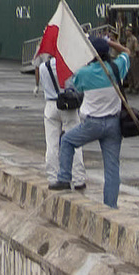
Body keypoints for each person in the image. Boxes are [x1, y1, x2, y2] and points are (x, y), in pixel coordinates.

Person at [50, 34, 132, 207]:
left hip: (92, 123)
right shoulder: (117, 68)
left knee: (66, 141)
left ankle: (64, 177)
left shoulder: (84, 73)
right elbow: (127, 51)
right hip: (114, 124)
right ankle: (111, 206)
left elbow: (76, 86)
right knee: (112, 168)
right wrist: (108, 42)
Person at [34, 49, 86, 191]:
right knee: (74, 142)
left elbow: (44, 84)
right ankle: (78, 178)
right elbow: (77, 86)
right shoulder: (69, 66)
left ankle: (52, 177)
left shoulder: (44, 67)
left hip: (50, 105)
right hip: (68, 105)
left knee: (51, 144)